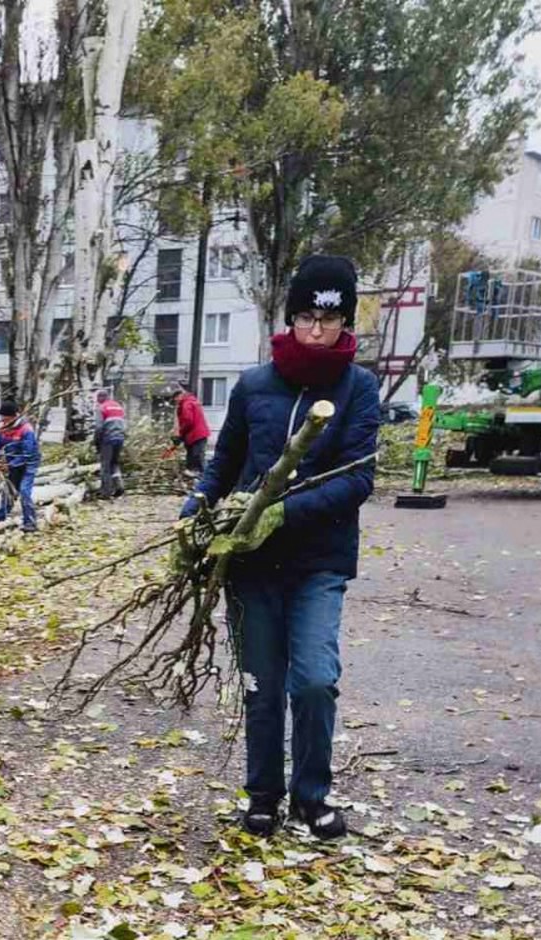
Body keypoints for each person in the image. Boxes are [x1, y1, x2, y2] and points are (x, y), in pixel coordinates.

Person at [179, 254, 379, 840]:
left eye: (330, 319)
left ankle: (311, 796)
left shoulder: (358, 388)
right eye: (306, 318)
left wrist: (285, 512)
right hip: (251, 562)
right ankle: (262, 795)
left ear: (344, 322)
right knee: (260, 685)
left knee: (314, 680)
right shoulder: (253, 385)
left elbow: (358, 479)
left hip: (319, 561)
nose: (317, 331)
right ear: (290, 318)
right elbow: (225, 466)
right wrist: (194, 513)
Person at [0, 401, 41, 532]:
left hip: (29, 464)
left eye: (7, 419)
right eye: (2, 419)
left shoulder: (26, 430)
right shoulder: (3, 429)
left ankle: (30, 522)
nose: (4, 422)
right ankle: (0, 517)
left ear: (15, 416)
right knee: (8, 491)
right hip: (12, 463)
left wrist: (8, 465)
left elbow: (27, 454)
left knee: (24, 491)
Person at [93, 389, 127, 499]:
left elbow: (99, 427)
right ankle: (119, 487)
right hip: (120, 438)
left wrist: (96, 442)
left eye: (98, 399)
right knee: (115, 463)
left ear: (101, 398)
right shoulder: (118, 406)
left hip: (107, 439)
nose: (97, 401)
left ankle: (105, 492)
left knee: (105, 465)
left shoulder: (101, 408)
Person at [173, 382, 211, 473]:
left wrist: (181, 435)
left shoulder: (186, 404)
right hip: (197, 435)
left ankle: (206, 478)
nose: (176, 402)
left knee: (197, 458)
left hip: (196, 435)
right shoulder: (192, 401)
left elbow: (188, 421)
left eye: (175, 400)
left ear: (179, 396)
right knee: (194, 457)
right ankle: (195, 475)